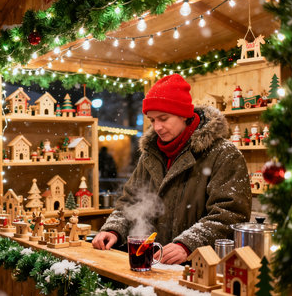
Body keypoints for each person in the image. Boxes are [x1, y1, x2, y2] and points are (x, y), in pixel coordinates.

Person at [92, 74, 251, 265]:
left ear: (184, 114)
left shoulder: (224, 154)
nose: (157, 127)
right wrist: (113, 229)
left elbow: (230, 213)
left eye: (163, 118)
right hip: (151, 264)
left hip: (199, 268)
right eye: (152, 120)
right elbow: (130, 201)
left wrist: (187, 244)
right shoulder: (150, 156)